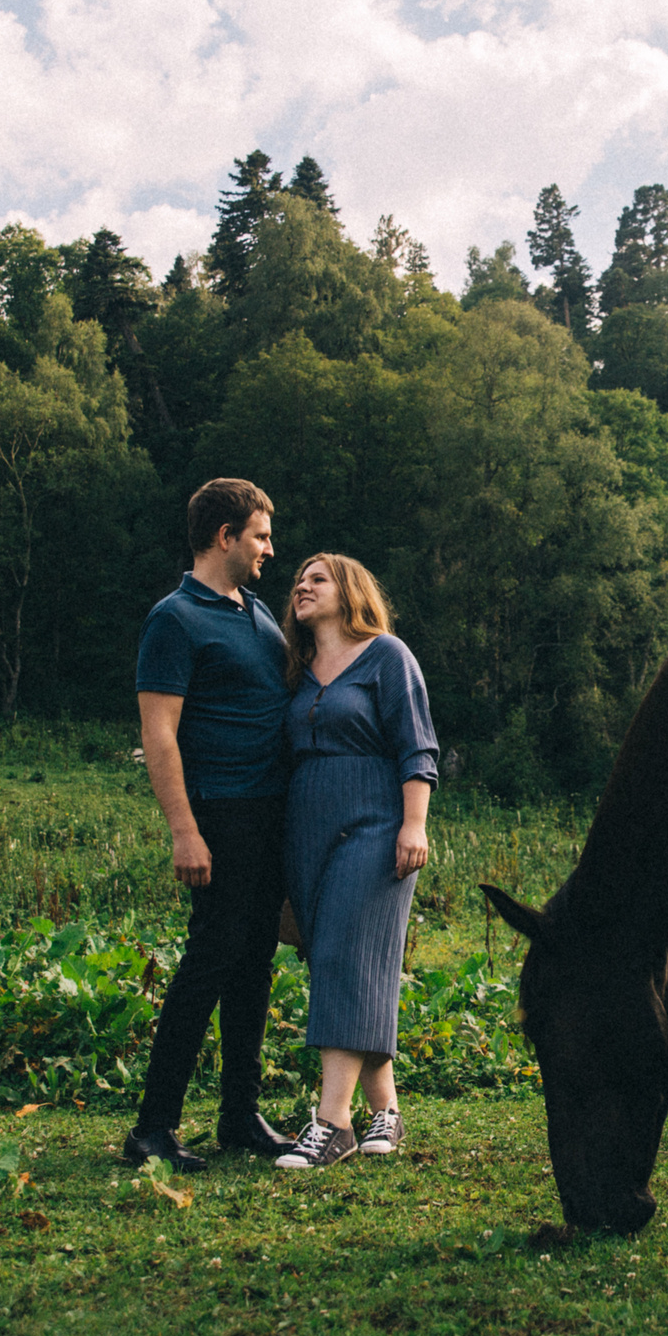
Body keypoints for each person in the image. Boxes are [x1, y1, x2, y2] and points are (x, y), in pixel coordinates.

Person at [125, 478, 298, 1171]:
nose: (268, 548)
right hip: (218, 814)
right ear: (224, 535)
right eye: (259, 535)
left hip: (268, 815)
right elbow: (159, 734)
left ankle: (238, 1114)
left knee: (254, 964)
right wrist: (184, 830)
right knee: (210, 960)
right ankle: (153, 1126)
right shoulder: (174, 618)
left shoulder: (255, 612)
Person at [272, 553, 439, 1170]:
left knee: (345, 954)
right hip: (306, 831)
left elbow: (417, 746)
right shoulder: (297, 669)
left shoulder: (386, 656)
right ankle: (386, 1115)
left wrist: (413, 825)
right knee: (343, 966)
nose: (302, 586)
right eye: (299, 579)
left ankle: (331, 1122)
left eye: (317, 578)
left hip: (375, 825)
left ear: (350, 590)